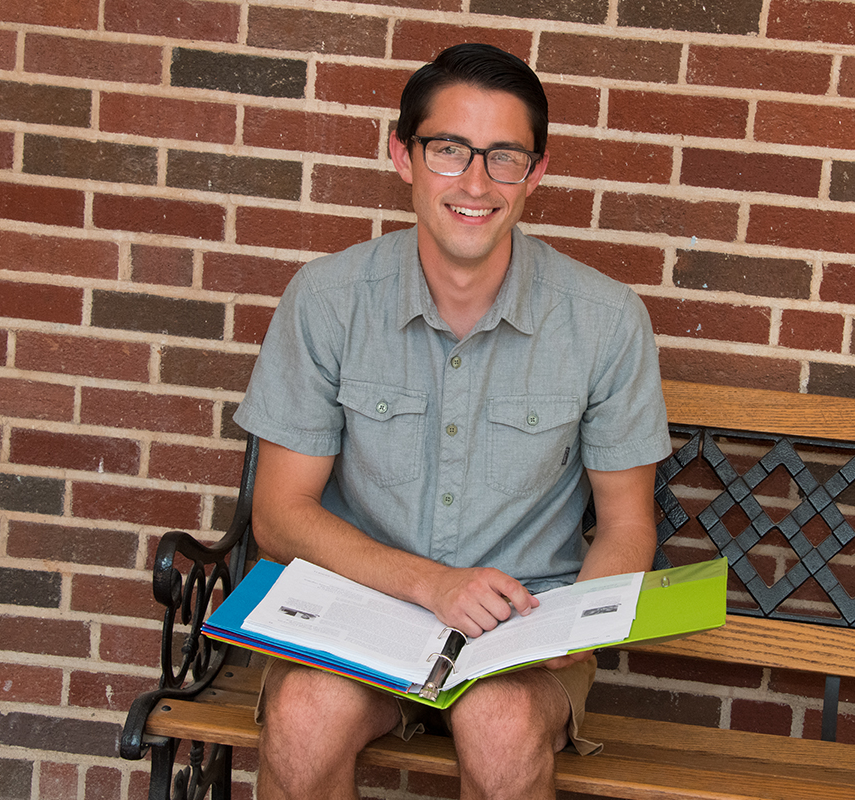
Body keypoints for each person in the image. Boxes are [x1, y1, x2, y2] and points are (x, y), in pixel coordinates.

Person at [232, 43, 671, 800]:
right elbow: (279, 516)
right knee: (304, 716)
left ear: (536, 173)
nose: (475, 182)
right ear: (402, 155)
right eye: (449, 150)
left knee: (500, 728)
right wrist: (431, 585)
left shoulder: (604, 320)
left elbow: (628, 524)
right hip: (354, 621)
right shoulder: (329, 300)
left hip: (517, 638)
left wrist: (574, 628)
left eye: (504, 157)